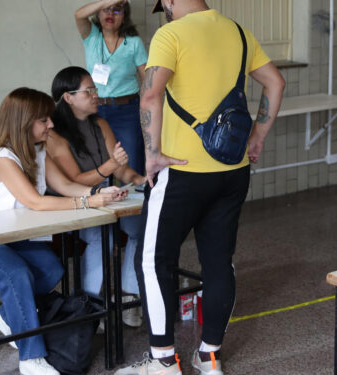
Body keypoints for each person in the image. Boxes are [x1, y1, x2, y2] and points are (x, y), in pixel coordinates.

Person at [115, 1, 285, 374]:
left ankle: (163, 362)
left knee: (153, 258)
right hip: (232, 169)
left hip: (181, 171)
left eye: (166, 5)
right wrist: (257, 136)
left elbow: (149, 95)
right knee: (218, 261)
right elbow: (275, 81)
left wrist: (153, 154)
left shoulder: (170, 35)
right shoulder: (238, 32)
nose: (166, 11)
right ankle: (209, 356)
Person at [0, 87, 123, 375]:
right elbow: (35, 202)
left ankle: (7, 317)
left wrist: (101, 193)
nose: (51, 125)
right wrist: (88, 201)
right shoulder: (3, 158)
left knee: (51, 269)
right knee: (15, 273)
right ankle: (31, 358)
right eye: (44, 120)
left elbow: (65, 186)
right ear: (23, 122)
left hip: (7, 238)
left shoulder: (38, 151)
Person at [47, 66, 146, 327]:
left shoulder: (100, 123)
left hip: (105, 196)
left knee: (139, 227)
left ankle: (128, 297)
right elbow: (74, 182)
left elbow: (121, 167)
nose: (95, 95)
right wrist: (110, 168)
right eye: (88, 91)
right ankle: (89, 307)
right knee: (103, 236)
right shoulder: (55, 133)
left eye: (95, 89)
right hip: (72, 202)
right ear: (68, 97)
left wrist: (139, 179)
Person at [75, 0, 148, 177]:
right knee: (98, 163)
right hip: (94, 109)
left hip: (127, 110)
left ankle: (134, 203)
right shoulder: (92, 36)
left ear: (125, 17)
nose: (110, 14)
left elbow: (148, 79)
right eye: (105, 10)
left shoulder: (133, 42)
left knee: (131, 161)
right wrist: (110, 1)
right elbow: (79, 15)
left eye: (117, 11)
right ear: (98, 14)